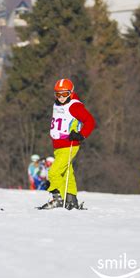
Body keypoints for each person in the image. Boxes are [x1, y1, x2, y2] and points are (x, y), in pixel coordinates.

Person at [40, 78, 95, 210]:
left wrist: (81, 135)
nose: (61, 97)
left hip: (69, 145)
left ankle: (59, 199)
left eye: (64, 94)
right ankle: (71, 201)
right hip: (58, 146)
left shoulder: (75, 106)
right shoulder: (57, 104)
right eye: (58, 94)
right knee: (67, 173)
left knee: (53, 173)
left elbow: (90, 121)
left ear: (71, 92)